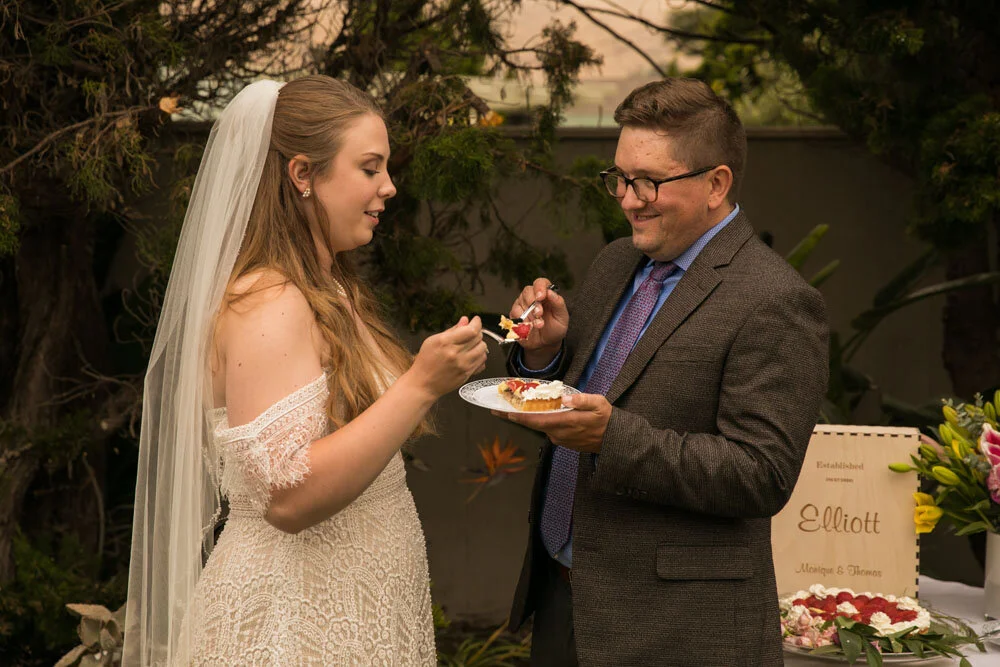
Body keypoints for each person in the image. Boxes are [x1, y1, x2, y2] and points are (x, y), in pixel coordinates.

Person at [123, 75, 487, 665]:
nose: (389, 188)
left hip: (353, 607)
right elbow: (288, 499)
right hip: (291, 622)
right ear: (302, 175)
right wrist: (421, 384)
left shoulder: (331, 288)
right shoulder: (268, 300)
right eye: (370, 168)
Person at [496, 78, 829, 666]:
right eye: (620, 178)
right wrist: (545, 355)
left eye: (649, 181)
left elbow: (762, 474)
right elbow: (578, 400)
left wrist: (613, 437)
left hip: (678, 631)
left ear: (716, 184)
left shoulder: (775, 299)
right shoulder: (616, 262)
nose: (628, 198)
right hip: (564, 597)